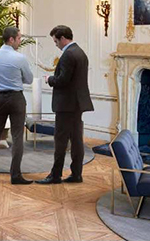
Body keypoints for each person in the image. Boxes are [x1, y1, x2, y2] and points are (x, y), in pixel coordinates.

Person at [37, 25, 94, 185]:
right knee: (76, 140)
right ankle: (76, 174)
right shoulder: (80, 52)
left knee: (60, 140)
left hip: (66, 105)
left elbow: (63, 80)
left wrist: (49, 79)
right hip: (77, 103)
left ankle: (55, 175)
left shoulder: (68, 54)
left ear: (62, 38)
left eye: (56, 41)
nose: (56, 45)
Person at [0, 27, 34, 185]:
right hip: (16, 98)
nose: (20, 41)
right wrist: (16, 78)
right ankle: (15, 175)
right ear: (11, 39)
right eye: (19, 38)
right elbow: (29, 79)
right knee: (17, 137)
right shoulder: (20, 58)